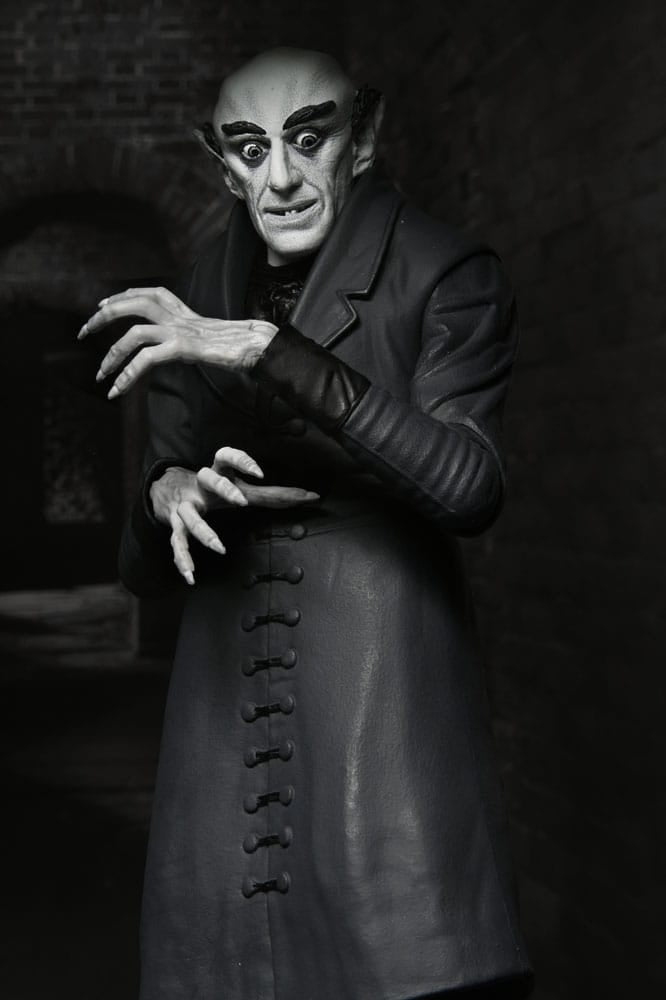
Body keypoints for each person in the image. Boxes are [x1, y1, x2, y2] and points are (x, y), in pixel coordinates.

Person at [80, 46, 533, 1000]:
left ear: (361, 138)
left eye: (308, 139)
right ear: (222, 165)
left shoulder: (447, 271)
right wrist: (168, 494)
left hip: (381, 709)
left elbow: (470, 489)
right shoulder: (200, 283)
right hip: (218, 731)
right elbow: (140, 569)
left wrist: (267, 349)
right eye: (251, 150)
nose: (280, 177)